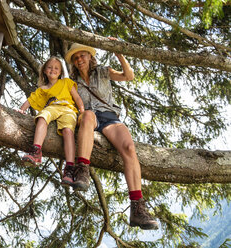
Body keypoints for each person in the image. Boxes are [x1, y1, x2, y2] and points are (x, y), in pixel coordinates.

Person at [64, 40, 159, 230]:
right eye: (75, 58)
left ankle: (137, 209)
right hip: (87, 118)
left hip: (109, 117)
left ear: (90, 56)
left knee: (129, 149)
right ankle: (82, 171)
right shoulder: (72, 82)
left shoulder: (103, 71)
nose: (79, 59)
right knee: (88, 115)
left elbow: (128, 76)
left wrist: (119, 54)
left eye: (82, 55)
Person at [16, 56, 84, 186]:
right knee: (42, 117)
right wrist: (22, 110)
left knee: (68, 131)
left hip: (68, 109)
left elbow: (77, 98)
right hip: (52, 107)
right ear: (45, 71)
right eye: (50, 67)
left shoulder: (66, 82)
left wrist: (82, 111)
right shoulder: (43, 89)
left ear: (60, 72)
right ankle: (36, 151)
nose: (53, 70)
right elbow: (31, 100)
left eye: (56, 68)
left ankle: (69, 168)